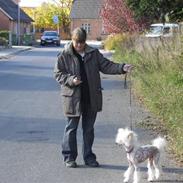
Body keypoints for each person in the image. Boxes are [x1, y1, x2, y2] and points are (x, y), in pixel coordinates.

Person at [54, 27, 132, 168]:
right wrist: (71, 80)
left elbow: (107, 66)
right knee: (71, 128)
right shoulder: (64, 55)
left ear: (85, 41)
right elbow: (58, 74)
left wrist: (122, 68)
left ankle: (89, 157)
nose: (79, 45)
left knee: (88, 129)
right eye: (76, 42)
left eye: (81, 42)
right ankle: (69, 158)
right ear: (72, 40)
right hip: (72, 99)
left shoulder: (93, 54)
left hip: (91, 97)